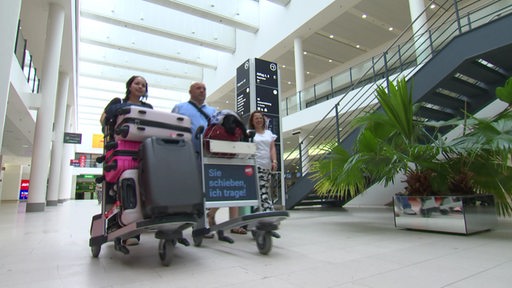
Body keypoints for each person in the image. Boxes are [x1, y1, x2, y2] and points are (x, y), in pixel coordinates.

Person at [100, 75, 152, 247]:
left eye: (143, 85)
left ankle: (133, 230)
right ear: (129, 86)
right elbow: (103, 119)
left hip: (142, 150)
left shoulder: (148, 108)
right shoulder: (117, 102)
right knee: (121, 187)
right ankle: (118, 226)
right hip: (120, 150)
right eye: (137, 83)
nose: (140, 87)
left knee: (138, 186)